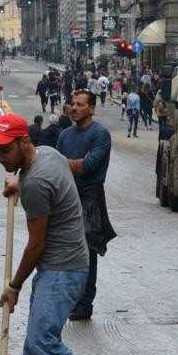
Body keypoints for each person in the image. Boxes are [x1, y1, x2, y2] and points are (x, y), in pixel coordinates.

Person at [0, 113, 120, 355]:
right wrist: (19, 181)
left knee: (40, 342)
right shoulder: (48, 155)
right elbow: (53, 182)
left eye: (5, 150)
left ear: (23, 143)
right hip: (64, 265)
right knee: (34, 349)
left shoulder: (35, 183)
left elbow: (36, 244)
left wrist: (14, 286)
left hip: (62, 270)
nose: (0, 157)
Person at [56, 90, 115, 321]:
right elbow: (57, 166)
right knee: (65, 249)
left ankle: (85, 304)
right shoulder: (65, 135)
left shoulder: (100, 134)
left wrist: (65, 164)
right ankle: (68, 299)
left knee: (88, 252)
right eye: (72, 104)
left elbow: (88, 166)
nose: (74, 108)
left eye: (80, 105)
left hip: (90, 198)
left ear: (91, 108)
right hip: (67, 196)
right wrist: (70, 165)